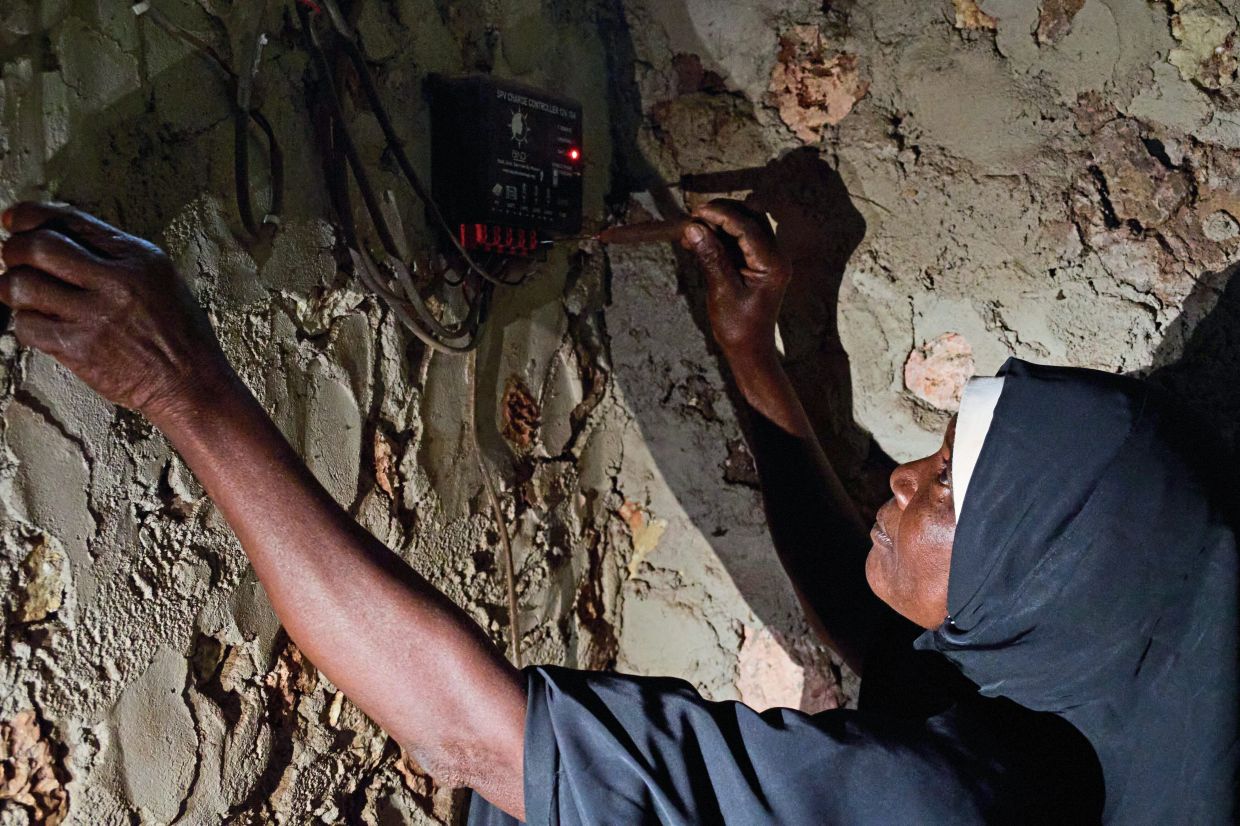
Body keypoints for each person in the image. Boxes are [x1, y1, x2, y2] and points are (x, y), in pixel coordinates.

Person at [0, 199, 1233, 824]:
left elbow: (475, 738)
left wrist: (184, 388)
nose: (902, 477)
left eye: (950, 487)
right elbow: (884, 631)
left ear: (1039, 577)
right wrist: (751, 355)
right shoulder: (1076, 706)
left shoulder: (940, 808)